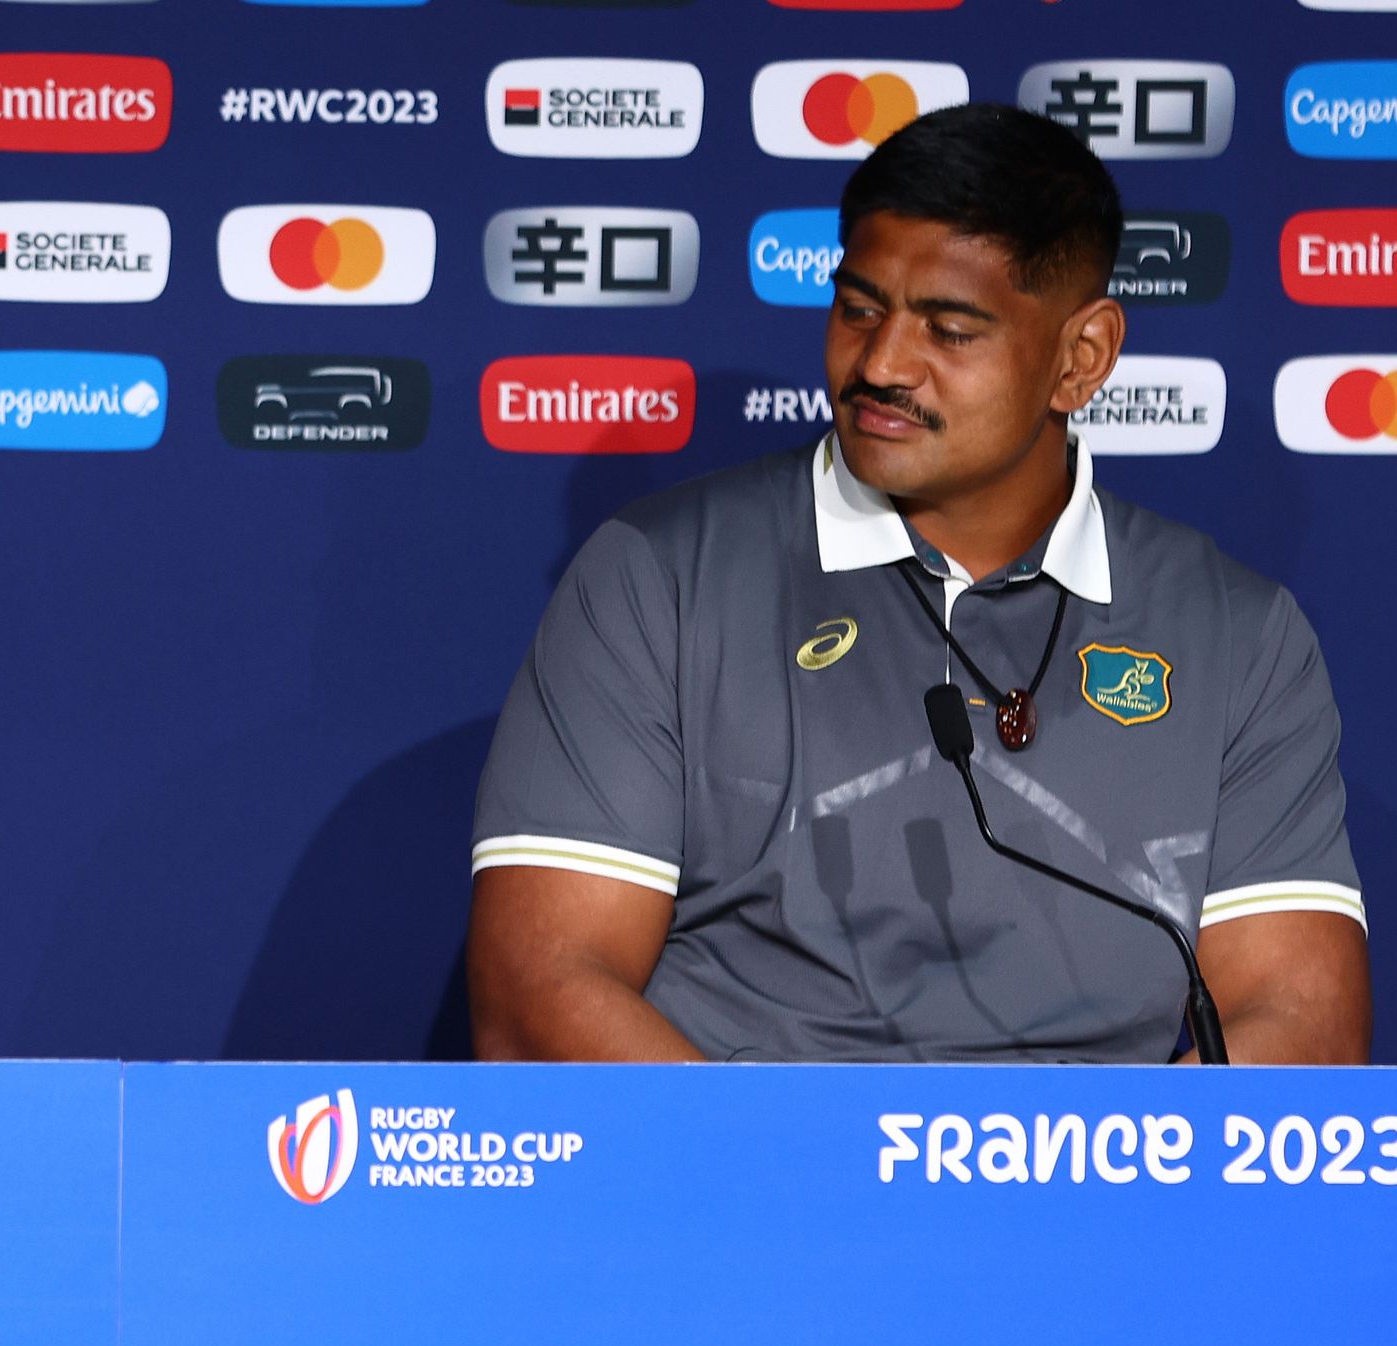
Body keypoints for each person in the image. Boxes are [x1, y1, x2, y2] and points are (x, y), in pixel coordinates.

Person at [467, 104, 1370, 1064]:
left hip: (1092, 1201)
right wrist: (810, 1203)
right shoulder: (658, 577)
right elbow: (547, 990)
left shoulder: (1240, 633)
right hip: (749, 1196)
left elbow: (1294, 1019)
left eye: (949, 328)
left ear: (1082, 358)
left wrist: (1100, 1206)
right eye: (859, 309)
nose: (882, 364)